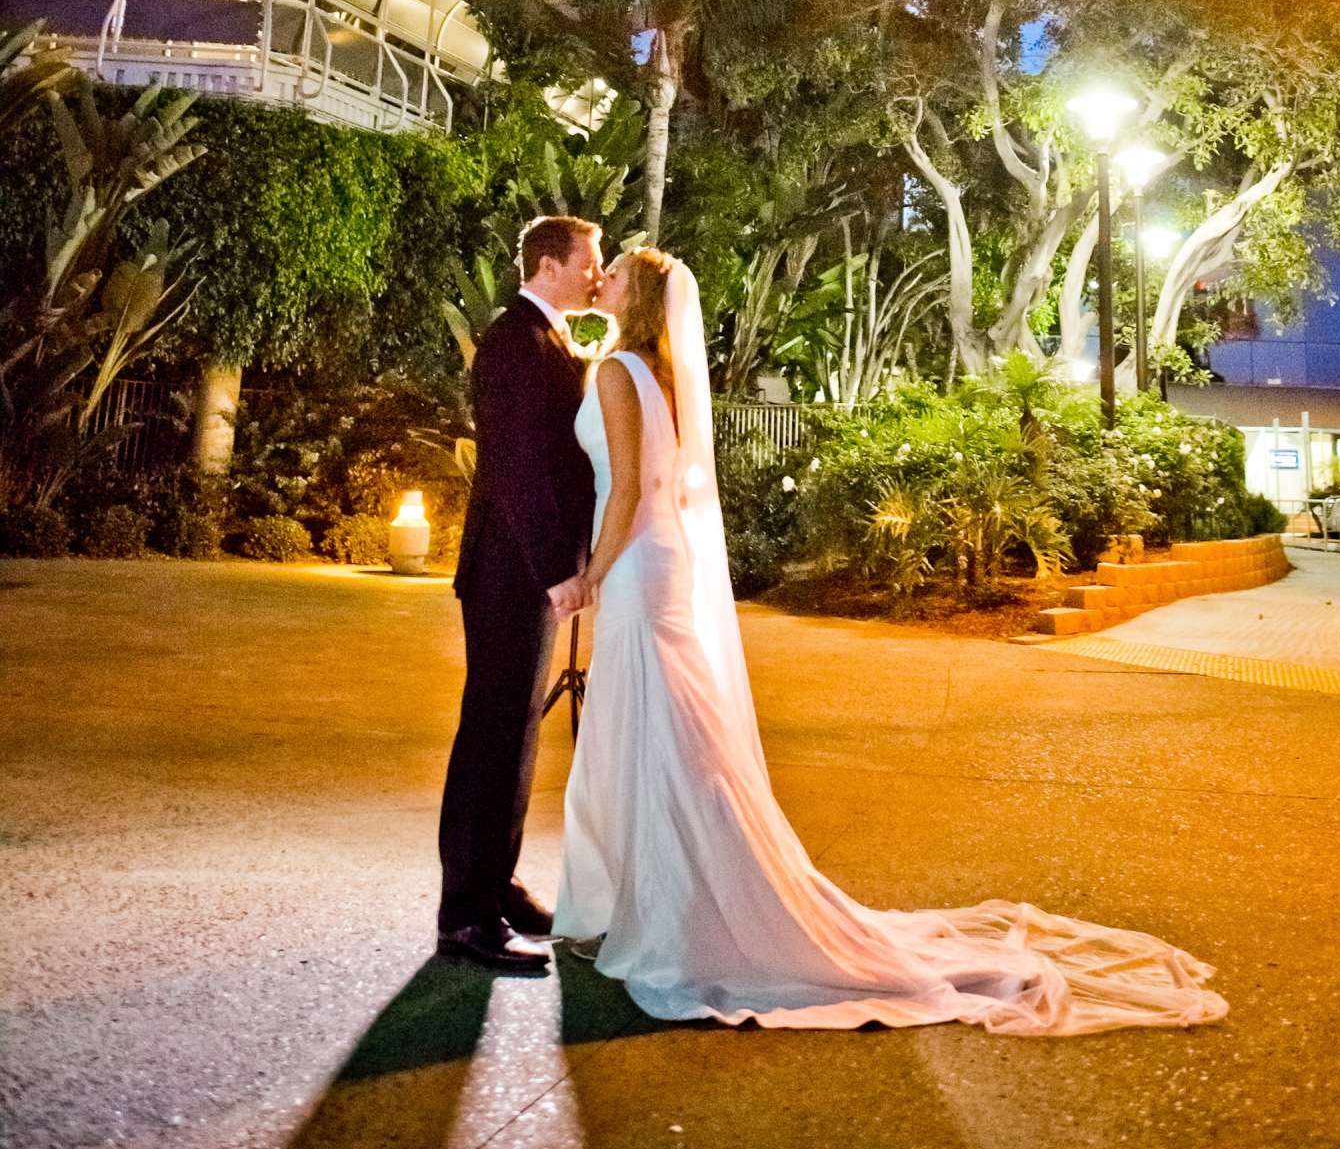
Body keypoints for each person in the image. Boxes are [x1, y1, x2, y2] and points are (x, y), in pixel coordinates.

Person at [546, 248, 1228, 1037]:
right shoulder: (655, 375)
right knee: (668, 737)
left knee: (657, 737)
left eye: (618, 272)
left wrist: (587, 577)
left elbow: (628, 489)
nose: (606, 278)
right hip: (658, 561)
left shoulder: (618, 370)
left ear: (638, 297)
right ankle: (668, 900)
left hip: (635, 565)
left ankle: (678, 914)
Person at [436, 214, 601, 972]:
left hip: (527, 572)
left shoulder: (551, 339)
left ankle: (496, 886)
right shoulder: (513, 342)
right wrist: (554, 568)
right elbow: (516, 471)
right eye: (588, 263)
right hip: (509, 572)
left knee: (517, 734)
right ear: (549, 264)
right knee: (492, 733)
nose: (596, 276)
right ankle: (465, 914)